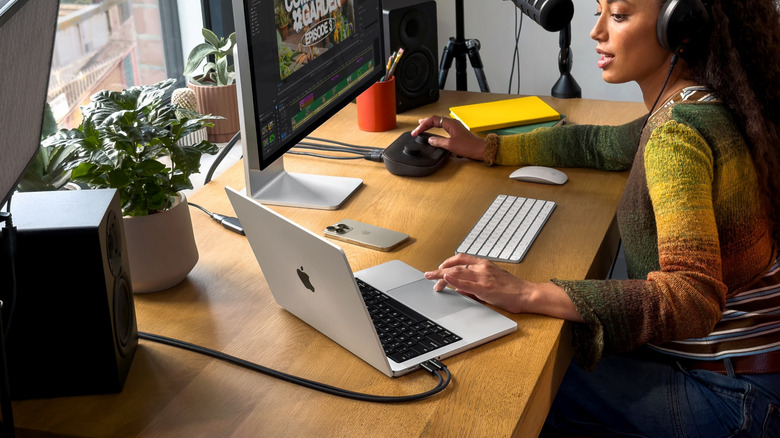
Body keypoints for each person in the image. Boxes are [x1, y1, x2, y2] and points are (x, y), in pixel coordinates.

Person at [414, 0, 780, 436]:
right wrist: (487, 148)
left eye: (620, 16)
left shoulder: (677, 133)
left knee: (511, 380)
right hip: (751, 368)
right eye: (599, 12)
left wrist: (526, 292)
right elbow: (598, 145)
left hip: (731, 394)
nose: (596, 32)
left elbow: (691, 298)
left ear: (678, 28)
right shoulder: (700, 101)